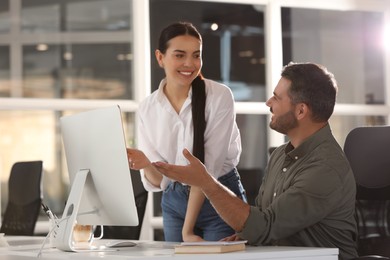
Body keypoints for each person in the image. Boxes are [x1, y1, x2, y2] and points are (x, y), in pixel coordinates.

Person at [153, 62, 358, 260]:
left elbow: (264, 227)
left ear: (301, 111)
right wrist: (244, 237)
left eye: (277, 98)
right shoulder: (279, 155)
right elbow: (262, 220)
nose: (268, 103)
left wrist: (205, 182)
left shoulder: (325, 168)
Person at [127, 21, 247, 242]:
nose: (190, 63)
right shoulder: (147, 108)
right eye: (180, 55)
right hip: (174, 204)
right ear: (160, 57)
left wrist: (187, 230)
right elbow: (160, 182)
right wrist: (145, 164)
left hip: (218, 198)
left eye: (196, 55)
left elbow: (206, 172)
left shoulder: (219, 96)